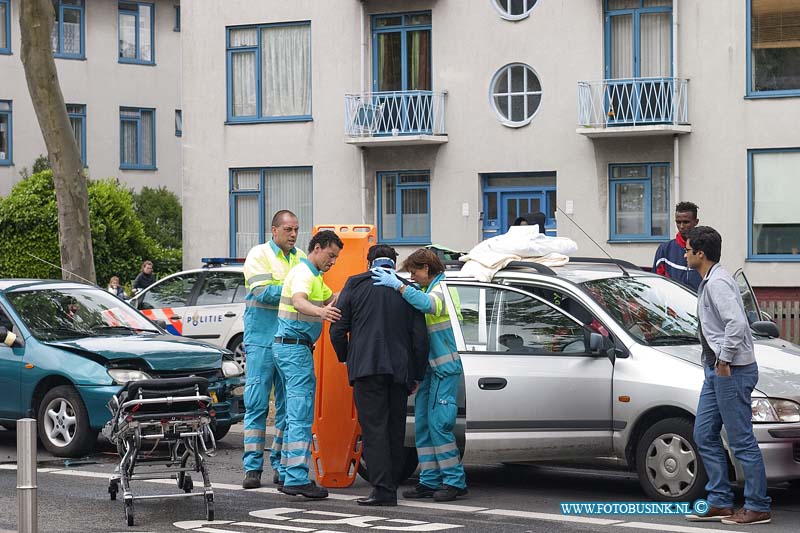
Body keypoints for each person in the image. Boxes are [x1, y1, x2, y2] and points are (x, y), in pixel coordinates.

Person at [684, 226, 771, 525]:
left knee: (740, 440)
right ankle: (720, 501)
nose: (684, 253)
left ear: (700, 253)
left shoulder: (718, 283)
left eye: (687, 249)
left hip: (731, 370)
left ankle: (757, 505)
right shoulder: (710, 280)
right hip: (715, 371)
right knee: (703, 433)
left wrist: (723, 359)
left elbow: (736, 323)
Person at [329, 245, 429, 507]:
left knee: (374, 430)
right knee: (395, 428)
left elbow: (337, 329)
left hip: (366, 369)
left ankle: (383, 490)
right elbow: (420, 338)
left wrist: (347, 357)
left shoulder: (355, 284)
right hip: (400, 371)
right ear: (394, 265)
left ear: (368, 263)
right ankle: (391, 482)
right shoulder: (407, 290)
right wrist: (417, 373)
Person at [372, 249, 468, 502]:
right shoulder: (428, 288)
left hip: (444, 368)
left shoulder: (443, 289)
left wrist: (399, 287)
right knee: (423, 426)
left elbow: (429, 306)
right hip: (429, 370)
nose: (412, 277)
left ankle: (454, 481)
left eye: (414, 272)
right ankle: (429, 481)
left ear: (426, 268)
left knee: (439, 425)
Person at [273, 230, 343, 499]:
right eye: (330, 255)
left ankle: (286, 470)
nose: (333, 262)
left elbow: (331, 298)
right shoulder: (303, 274)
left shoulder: (314, 276)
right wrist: (322, 313)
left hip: (289, 348)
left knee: (293, 414)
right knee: (300, 415)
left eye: (336, 258)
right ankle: (296, 478)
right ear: (317, 248)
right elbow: (302, 301)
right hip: (295, 350)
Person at [241, 210, 306, 490]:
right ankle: (252, 468)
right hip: (261, 340)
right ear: (274, 230)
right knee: (256, 404)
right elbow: (262, 292)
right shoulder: (259, 255)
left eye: (296, 230)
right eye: (288, 229)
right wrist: (295, 289)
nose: (293, 234)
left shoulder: (301, 257)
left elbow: (312, 292)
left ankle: (280, 465)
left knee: (285, 407)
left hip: (288, 341)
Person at [653, 202, 702, 291]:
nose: (681, 226)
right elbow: (656, 284)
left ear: (696, 222)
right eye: (678, 222)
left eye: (686, 222)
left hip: (698, 303)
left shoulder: (703, 249)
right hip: (672, 303)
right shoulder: (665, 250)